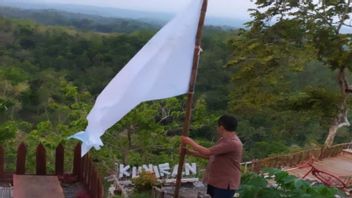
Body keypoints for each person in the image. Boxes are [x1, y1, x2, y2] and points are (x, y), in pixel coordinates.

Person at [180, 115, 243, 198]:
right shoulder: (223, 140)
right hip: (216, 181)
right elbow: (211, 156)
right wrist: (190, 152)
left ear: (221, 127)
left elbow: (207, 152)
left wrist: (189, 141)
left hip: (225, 183)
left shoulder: (233, 143)